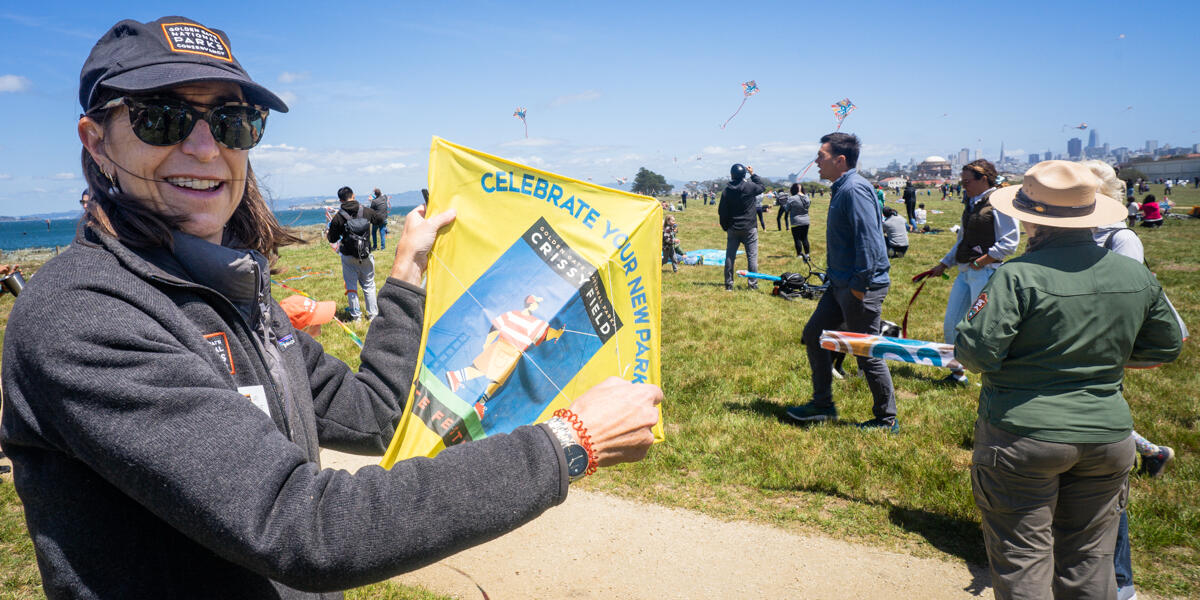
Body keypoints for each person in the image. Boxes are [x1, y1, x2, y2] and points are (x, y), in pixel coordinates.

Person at [0, 16, 662, 600]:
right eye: (163, 117)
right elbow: (304, 526)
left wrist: (405, 276)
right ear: (96, 140)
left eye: (233, 122)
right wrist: (570, 443)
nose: (205, 148)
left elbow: (373, 413)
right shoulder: (83, 316)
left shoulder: (231, 297)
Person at [955, 160, 1183, 600]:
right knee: (1090, 563)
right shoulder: (1135, 274)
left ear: (1030, 217)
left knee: (1023, 560)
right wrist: (1102, 355)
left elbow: (976, 353)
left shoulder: (1016, 276)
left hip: (1023, 435)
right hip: (1108, 436)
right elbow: (1164, 347)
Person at [1084, 161, 1182, 600]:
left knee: (1105, 485)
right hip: (1066, 362)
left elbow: (1124, 304)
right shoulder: (1060, 236)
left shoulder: (1121, 239)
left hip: (1098, 360)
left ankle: (1121, 583)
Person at [786, 133, 896, 431]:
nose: (816, 161)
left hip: (860, 287)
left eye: (820, 156)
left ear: (840, 159)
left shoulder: (854, 190)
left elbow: (870, 242)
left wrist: (859, 287)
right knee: (814, 334)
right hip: (840, 285)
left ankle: (887, 419)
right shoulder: (842, 188)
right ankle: (822, 404)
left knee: (865, 351)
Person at [925, 160, 1019, 386]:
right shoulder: (972, 202)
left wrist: (983, 261)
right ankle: (959, 375)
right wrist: (944, 264)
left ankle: (993, 376)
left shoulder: (1000, 203)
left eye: (967, 181)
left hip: (986, 274)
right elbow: (962, 240)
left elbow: (1011, 242)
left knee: (983, 328)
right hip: (966, 272)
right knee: (952, 325)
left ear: (984, 178)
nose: (963, 185)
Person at [327, 186, 385, 321]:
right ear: (353, 195)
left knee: (351, 286)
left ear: (340, 200)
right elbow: (380, 220)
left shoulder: (338, 217)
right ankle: (372, 315)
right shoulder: (366, 211)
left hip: (348, 255)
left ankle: (356, 317)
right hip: (365, 254)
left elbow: (332, 239)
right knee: (369, 285)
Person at [718, 163, 765, 291]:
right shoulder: (749, 186)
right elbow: (762, 187)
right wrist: (753, 173)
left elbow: (722, 211)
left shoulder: (727, 190)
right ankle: (752, 284)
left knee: (730, 257)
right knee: (752, 257)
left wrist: (725, 226)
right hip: (750, 227)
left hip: (733, 227)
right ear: (744, 174)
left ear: (732, 175)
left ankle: (728, 284)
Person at [783, 182, 811, 258]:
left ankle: (799, 255)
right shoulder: (807, 197)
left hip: (796, 221)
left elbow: (786, 209)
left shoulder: (792, 198)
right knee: (805, 238)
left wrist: (784, 203)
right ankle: (807, 254)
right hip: (806, 220)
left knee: (797, 239)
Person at [369, 187, 390, 251]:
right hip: (384, 219)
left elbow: (371, 210)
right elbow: (384, 195)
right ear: (380, 193)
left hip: (377, 220)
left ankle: (375, 246)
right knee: (382, 233)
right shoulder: (384, 198)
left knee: (374, 232)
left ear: (375, 194)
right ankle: (383, 247)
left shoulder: (374, 202)